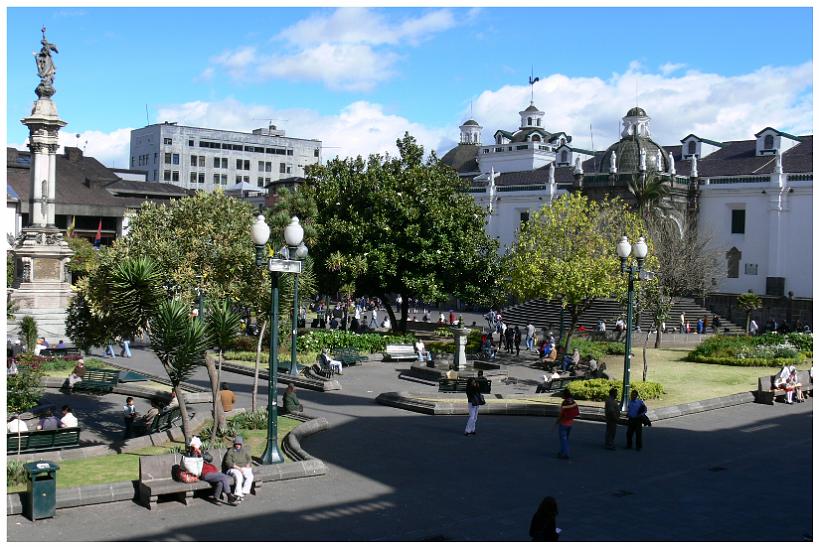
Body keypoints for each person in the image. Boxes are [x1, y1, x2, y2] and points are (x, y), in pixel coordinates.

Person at [223, 435, 254, 501]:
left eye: (239, 444)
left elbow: (249, 459)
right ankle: (238, 494)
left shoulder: (244, 450)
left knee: (250, 476)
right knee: (239, 476)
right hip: (233, 468)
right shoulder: (231, 451)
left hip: (244, 467)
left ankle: (244, 492)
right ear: (234, 444)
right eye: (236, 444)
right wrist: (238, 468)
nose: (238, 445)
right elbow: (228, 462)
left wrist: (248, 464)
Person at [556, 389, 579, 459]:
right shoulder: (573, 402)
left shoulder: (564, 402)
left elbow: (561, 413)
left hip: (563, 423)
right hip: (570, 423)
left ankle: (566, 453)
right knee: (565, 439)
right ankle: (562, 452)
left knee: (563, 439)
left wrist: (558, 420)